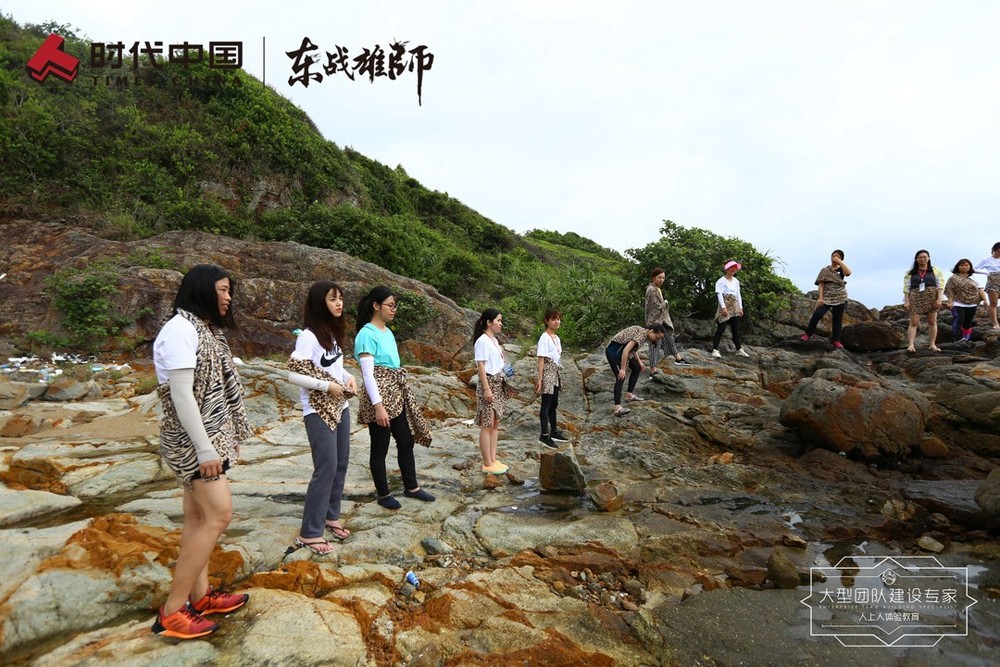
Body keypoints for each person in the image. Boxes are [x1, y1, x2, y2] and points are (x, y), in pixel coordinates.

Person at [151, 264, 251, 640]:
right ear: (203, 290)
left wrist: (222, 438)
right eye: (223, 290)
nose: (228, 297)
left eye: (229, 290)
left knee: (197, 517)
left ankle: (201, 596)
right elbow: (182, 395)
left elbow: (211, 394)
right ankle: (172, 612)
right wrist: (205, 448)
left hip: (206, 436)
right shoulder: (181, 329)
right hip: (191, 441)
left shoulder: (203, 330)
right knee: (219, 514)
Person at [286, 281, 357, 555]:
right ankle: (310, 532)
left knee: (340, 463)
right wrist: (326, 386)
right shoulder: (308, 336)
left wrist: (348, 377)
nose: (339, 303)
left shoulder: (331, 333)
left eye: (340, 298)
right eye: (332, 299)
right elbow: (293, 374)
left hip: (340, 405)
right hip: (317, 409)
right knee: (325, 466)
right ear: (319, 303)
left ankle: (330, 516)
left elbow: (333, 366)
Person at [354, 286, 434, 509]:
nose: (394, 309)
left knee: (405, 440)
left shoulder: (387, 332)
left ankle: (412, 487)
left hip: (395, 392)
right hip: (378, 394)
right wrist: (378, 406)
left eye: (395, 305)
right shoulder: (366, 334)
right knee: (380, 445)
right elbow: (369, 375)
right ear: (376, 306)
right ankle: (383, 494)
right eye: (390, 305)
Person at [473, 308, 519, 473]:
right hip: (489, 383)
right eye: (498, 320)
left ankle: (493, 459)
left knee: (495, 423)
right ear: (488, 322)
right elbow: (481, 366)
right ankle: (487, 463)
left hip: (499, 383)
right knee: (487, 423)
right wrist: (486, 389)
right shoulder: (482, 341)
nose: (501, 324)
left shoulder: (494, 340)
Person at [605, 324, 667, 417]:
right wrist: (623, 369)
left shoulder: (643, 333)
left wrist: (639, 362)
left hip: (621, 352)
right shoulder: (642, 335)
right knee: (621, 377)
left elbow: (632, 349)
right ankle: (617, 408)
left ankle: (629, 395)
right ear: (651, 331)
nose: (656, 340)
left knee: (637, 367)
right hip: (614, 353)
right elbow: (626, 351)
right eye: (656, 337)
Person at [800, 250, 852, 348]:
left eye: (838, 256)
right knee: (817, 314)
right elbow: (821, 284)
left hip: (840, 296)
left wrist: (840, 262)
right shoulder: (825, 270)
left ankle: (836, 340)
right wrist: (820, 298)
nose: (834, 258)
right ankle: (808, 334)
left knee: (837, 320)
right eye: (833, 256)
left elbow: (848, 273)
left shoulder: (842, 269)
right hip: (827, 296)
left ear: (841, 259)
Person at [644, 268, 691, 376]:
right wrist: (665, 303)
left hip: (661, 320)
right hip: (655, 321)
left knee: (669, 339)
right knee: (655, 345)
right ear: (653, 278)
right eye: (659, 278)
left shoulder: (656, 289)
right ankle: (653, 370)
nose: (661, 280)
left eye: (663, 278)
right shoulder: (652, 290)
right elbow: (656, 307)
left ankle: (678, 359)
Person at [535, 308, 568, 449]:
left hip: (555, 371)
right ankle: (544, 435)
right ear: (547, 321)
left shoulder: (556, 338)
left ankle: (554, 431)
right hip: (548, 371)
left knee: (554, 403)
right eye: (553, 319)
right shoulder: (544, 337)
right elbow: (541, 359)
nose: (556, 322)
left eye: (558, 319)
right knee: (546, 403)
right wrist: (540, 379)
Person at [903, 249, 945, 352]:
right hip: (915, 296)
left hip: (931, 296)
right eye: (920, 257)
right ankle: (911, 345)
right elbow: (906, 288)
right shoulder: (910, 273)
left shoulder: (936, 270)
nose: (922, 259)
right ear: (916, 259)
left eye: (924, 257)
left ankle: (932, 344)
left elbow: (940, 285)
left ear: (928, 258)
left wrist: (939, 299)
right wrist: (907, 301)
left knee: (932, 321)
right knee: (914, 322)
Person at [711, 260, 750, 358]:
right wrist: (723, 307)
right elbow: (719, 294)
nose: (733, 269)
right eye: (731, 267)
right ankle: (715, 349)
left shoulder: (736, 281)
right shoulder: (721, 281)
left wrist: (740, 307)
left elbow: (738, 294)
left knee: (735, 329)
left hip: (735, 305)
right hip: (725, 304)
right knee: (721, 328)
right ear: (727, 268)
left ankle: (739, 349)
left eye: (734, 268)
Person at [944, 259, 987, 343]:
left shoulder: (974, 277)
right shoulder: (953, 278)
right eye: (962, 265)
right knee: (959, 319)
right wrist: (950, 301)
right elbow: (949, 290)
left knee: (968, 322)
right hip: (958, 302)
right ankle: (957, 338)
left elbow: (980, 290)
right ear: (958, 267)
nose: (964, 267)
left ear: (970, 267)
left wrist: (985, 300)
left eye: (966, 265)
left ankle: (966, 339)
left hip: (972, 302)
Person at [974, 242, 1000, 330]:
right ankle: (995, 322)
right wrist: (986, 273)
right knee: (993, 303)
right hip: (993, 281)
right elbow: (974, 269)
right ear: (994, 250)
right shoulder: (986, 260)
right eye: (998, 251)